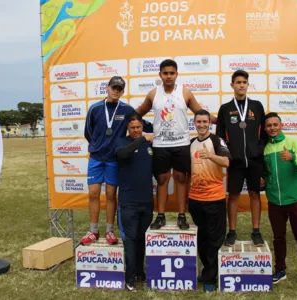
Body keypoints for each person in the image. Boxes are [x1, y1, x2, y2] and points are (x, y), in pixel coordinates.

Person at [136, 59, 216, 230]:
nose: (169, 76)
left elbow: (200, 112)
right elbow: (138, 113)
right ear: (160, 75)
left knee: (181, 179)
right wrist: (123, 117)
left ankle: (182, 216)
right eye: (165, 73)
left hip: (182, 143)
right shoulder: (153, 94)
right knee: (162, 179)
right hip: (160, 144)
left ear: (177, 74)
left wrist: (220, 120)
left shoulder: (185, 93)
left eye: (172, 73)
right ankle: (161, 216)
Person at [82, 76, 152, 245]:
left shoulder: (127, 109)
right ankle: (93, 231)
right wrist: (98, 145)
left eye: (119, 89)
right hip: (97, 157)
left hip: (114, 159)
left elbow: (141, 124)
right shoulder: (95, 108)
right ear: (107, 87)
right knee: (93, 194)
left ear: (123, 91)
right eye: (113, 87)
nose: (116, 91)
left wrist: (151, 134)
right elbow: (88, 132)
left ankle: (109, 231)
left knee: (111, 194)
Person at [263, 112, 297, 289]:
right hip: (275, 201)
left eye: (275, 124)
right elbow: (267, 173)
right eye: (269, 126)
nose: (272, 128)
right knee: (278, 238)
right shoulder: (264, 148)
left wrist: (292, 157)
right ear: (265, 129)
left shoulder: (292, 143)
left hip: (295, 200)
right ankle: (280, 270)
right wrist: (263, 180)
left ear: (281, 125)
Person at [216, 70, 267, 247]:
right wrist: (228, 154)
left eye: (244, 82)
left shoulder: (257, 106)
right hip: (235, 162)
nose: (241, 85)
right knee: (233, 196)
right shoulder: (225, 109)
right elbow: (220, 136)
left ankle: (256, 231)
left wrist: (259, 150)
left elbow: (265, 131)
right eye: (238, 82)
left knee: (255, 194)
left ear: (248, 84)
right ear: (232, 85)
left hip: (254, 160)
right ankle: (232, 232)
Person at [188, 110, 231, 292]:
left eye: (205, 121)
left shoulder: (216, 140)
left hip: (214, 198)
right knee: (203, 239)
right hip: (195, 199)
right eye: (199, 122)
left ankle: (210, 279)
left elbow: (227, 162)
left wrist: (210, 156)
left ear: (209, 123)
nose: (202, 125)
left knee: (214, 239)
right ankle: (207, 271)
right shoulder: (190, 143)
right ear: (194, 123)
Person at [115, 113, 154, 291]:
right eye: (133, 128)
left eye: (139, 127)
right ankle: (129, 278)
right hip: (128, 203)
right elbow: (122, 154)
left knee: (141, 239)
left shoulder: (149, 145)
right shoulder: (122, 143)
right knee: (130, 240)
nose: (137, 130)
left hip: (147, 202)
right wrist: (143, 139)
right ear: (127, 129)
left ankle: (140, 272)